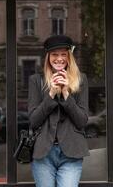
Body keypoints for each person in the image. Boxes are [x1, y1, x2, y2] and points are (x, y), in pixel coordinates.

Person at [28, 35, 89, 187]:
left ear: (69, 57)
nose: (59, 58)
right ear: (48, 57)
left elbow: (82, 120)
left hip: (71, 153)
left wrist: (67, 94)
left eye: (64, 54)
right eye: (55, 54)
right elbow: (33, 121)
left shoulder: (80, 80)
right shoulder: (36, 80)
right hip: (44, 153)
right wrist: (51, 95)